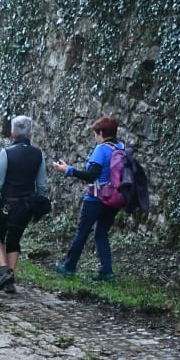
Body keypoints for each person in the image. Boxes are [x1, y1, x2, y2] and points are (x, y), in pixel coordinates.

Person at [0, 115, 48, 294]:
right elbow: (41, 186)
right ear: (31, 134)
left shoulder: (7, 153)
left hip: (6, 204)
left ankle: (4, 271)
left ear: (12, 134)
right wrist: (38, 204)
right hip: (26, 206)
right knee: (14, 240)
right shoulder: (39, 154)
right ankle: (10, 281)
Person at [53, 116, 123, 281]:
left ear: (101, 133)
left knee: (82, 232)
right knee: (101, 233)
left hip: (95, 199)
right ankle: (106, 271)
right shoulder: (121, 148)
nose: (95, 137)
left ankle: (69, 266)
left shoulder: (101, 149)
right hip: (114, 199)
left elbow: (91, 175)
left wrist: (68, 170)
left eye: (95, 134)